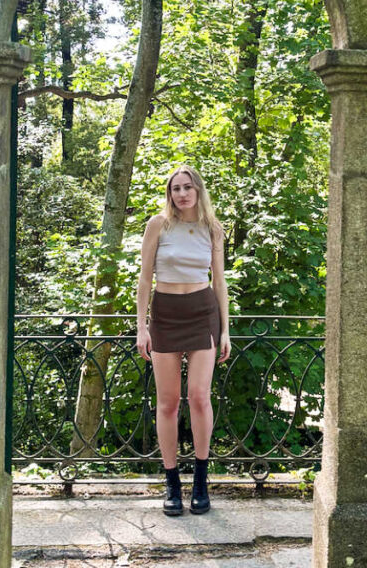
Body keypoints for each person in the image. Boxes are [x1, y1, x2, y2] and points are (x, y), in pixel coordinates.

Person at [136, 164, 231, 516]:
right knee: (168, 403)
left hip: (202, 312)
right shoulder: (157, 225)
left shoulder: (212, 229)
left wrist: (225, 330)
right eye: (175, 188)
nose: (181, 194)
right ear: (169, 193)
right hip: (165, 313)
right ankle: (172, 481)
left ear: (198, 190)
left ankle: (201, 481)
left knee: (200, 398)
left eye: (187, 187)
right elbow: (144, 279)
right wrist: (141, 326)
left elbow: (219, 282)